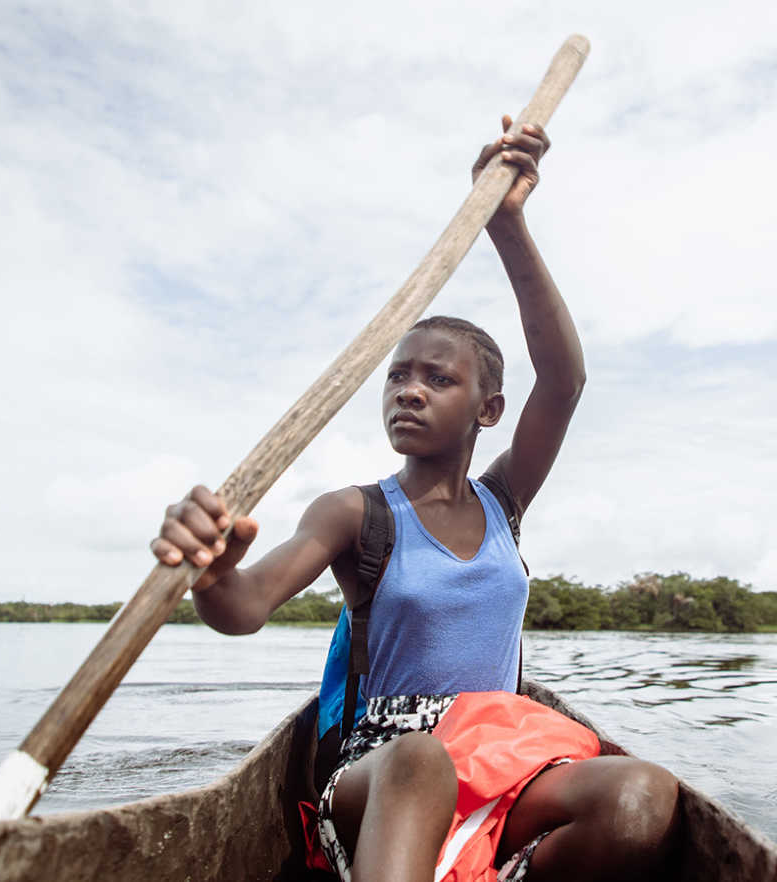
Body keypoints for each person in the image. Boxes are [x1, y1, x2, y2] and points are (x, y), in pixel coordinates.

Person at [152, 116, 680, 882]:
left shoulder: (504, 503)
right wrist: (210, 571)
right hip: (385, 768)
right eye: (398, 376)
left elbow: (563, 384)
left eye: (438, 379)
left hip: (503, 751)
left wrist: (507, 225)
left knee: (640, 795)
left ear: (487, 410)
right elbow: (242, 608)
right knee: (425, 761)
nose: (409, 391)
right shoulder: (355, 513)